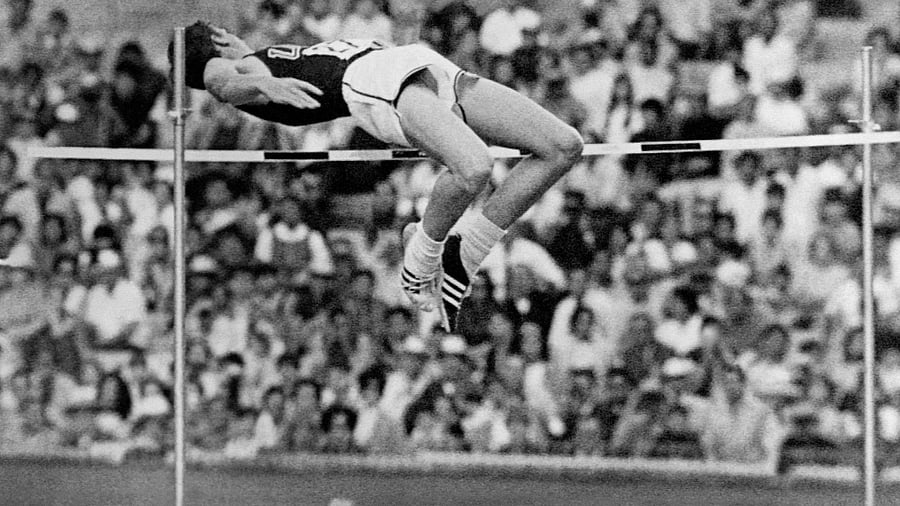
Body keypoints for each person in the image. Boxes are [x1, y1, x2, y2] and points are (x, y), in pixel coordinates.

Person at [171, 9, 584, 333]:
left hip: (414, 62)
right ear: (212, 46)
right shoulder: (236, 71)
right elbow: (222, 84)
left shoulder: (256, 57)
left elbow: (243, 64)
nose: (228, 33)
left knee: (562, 147)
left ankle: (465, 249)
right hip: (376, 82)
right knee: (474, 168)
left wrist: (254, 65)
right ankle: (419, 260)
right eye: (217, 31)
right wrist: (264, 87)